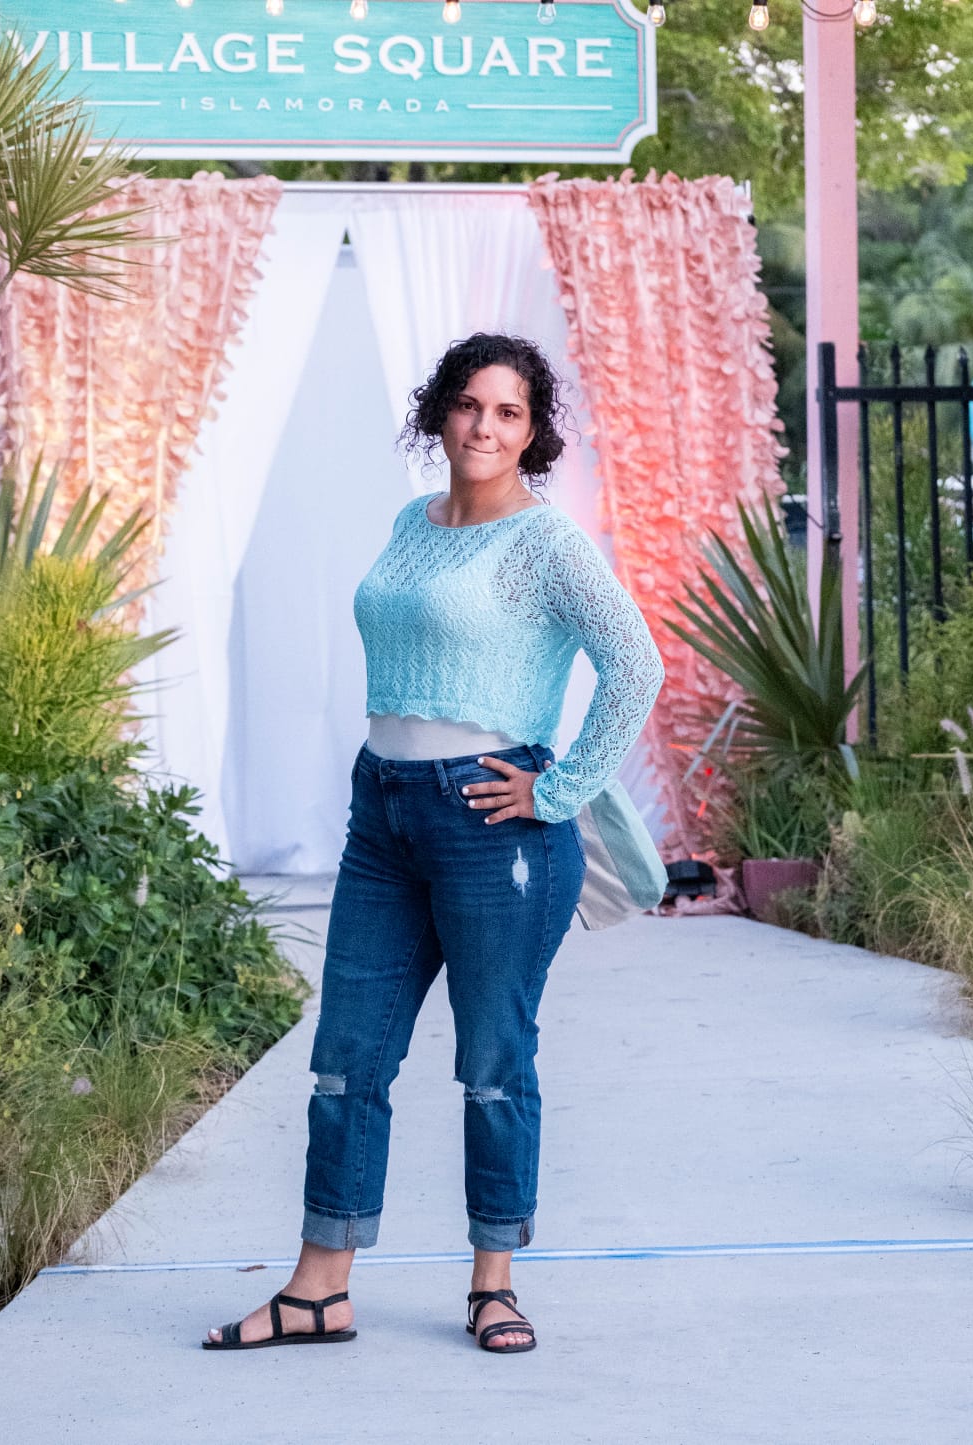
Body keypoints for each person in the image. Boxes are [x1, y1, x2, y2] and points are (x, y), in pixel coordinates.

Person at [204, 333, 664, 1356]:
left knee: (493, 1060)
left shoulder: (546, 543)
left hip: (490, 823)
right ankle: (319, 1285)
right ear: (439, 414)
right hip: (384, 812)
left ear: (530, 430)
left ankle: (493, 1281)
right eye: (467, 404)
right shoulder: (411, 523)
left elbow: (635, 664)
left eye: (506, 411)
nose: (483, 425)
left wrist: (561, 788)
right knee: (346, 1057)